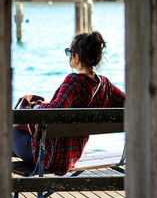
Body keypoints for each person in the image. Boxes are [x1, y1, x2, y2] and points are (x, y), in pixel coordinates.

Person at [13, 31, 125, 176]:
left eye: (69, 52)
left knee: (8, 132)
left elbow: (52, 113)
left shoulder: (73, 82)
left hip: (51, 157)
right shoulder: (105, 85)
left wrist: (37, 106)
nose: (69, 56)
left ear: (77, 57)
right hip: (72, 157)